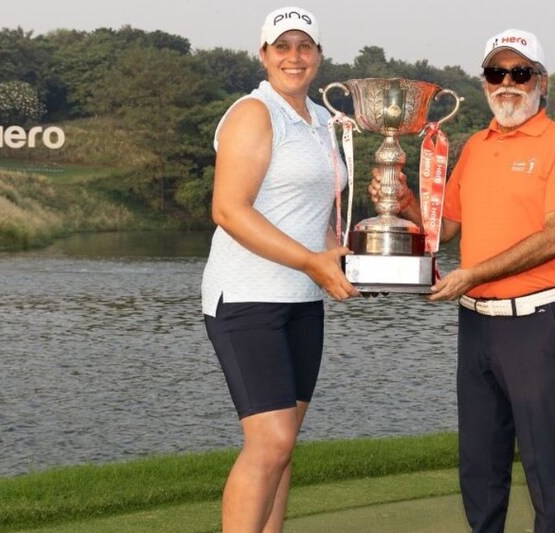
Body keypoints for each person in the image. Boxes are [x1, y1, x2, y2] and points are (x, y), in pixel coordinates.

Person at [370, 28, 555, 533]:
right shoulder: (475, 145)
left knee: (543, 466)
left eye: (520, 73)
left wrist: (472, 274)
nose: (507, 83)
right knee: (480, 467)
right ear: (485, 81)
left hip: (535, 321)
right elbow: (443, 230)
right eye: (496, 73)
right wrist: (402, 201)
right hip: (476, 325)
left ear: (541, 81)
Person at [200, 6, 358, 532]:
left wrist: (344, 260)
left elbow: (315, 216)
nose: (294, 56)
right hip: (247, 296)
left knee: (282, 447)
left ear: (319, 55)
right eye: (282, 46)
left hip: (302, 300)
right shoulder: (254, 112)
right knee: (270, 441)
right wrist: (312, 262)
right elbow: (229, 210)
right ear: (264, 55)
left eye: (304, 46)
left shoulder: (321, 121)